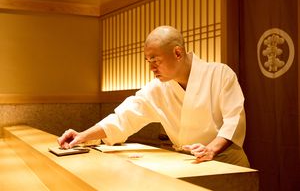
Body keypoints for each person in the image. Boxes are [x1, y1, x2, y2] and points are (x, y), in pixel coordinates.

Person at [58, 26, 250, 167]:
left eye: (155, 60)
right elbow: (123, 117)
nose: (151, 68)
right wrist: (82, 136)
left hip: (226, 161)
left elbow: (234, 119)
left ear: (177, 53)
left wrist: (211, 149)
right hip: (190, 162)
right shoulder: (158, 88)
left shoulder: (220, 74)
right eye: (148, 61)